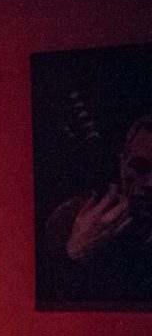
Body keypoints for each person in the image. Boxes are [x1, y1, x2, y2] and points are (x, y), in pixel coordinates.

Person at [43, 113, 152, 302]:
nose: (150, 183)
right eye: (139, 167)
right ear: (122, 163)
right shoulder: (71, 218)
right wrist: (74, 254)